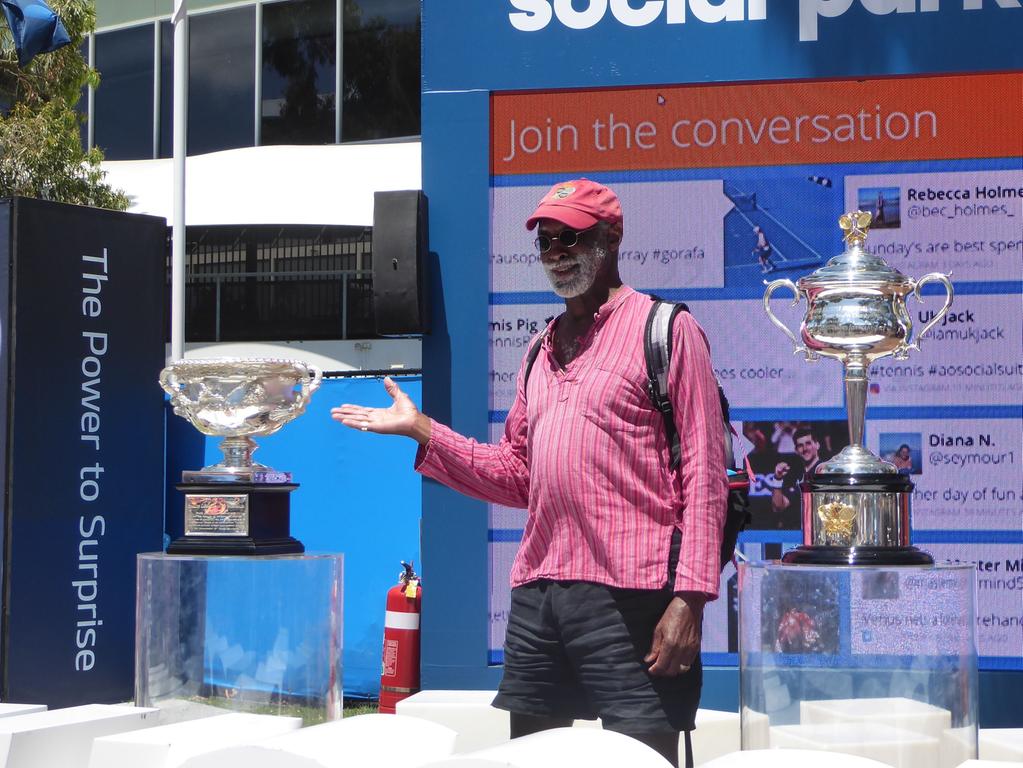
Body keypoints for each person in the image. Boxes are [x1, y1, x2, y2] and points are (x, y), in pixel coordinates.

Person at [331, 179, 728, 767]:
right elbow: (518, 473)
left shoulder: (665, 331)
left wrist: (690, 601)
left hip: (636, 594)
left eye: (570, 237)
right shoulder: (539, 350)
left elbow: (706, 474)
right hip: (541, 594)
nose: (557, 253)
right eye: (546, 242)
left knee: (641, 759)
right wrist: (423, 430)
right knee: (534, 760)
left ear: (612, 237)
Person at [768, 427, 826, 527]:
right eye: (800, 445)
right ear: (796, 450)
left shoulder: (826, 471)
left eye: (808, 443)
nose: (805, 449)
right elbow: (779, 506)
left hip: (819, 533)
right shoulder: (794, 474)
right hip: (795, 534)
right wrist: (777, 479)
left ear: (817, 445)